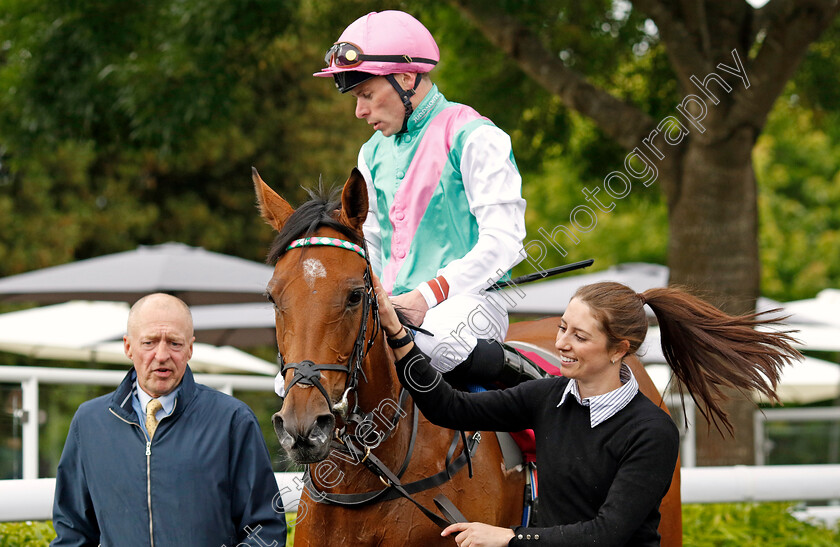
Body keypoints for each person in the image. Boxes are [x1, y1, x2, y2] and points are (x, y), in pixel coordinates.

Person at [375, 275, 801, 546]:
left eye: (579, 336)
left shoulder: (652, 431)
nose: (561, 343)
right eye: (562, 327)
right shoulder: (547, 396)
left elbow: (607, 532)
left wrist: (507, 538)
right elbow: (450, 407)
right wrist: (397, 333)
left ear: (620, 350)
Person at [314, 10, 541, 387]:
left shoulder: (476, 135)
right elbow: (369, 244)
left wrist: (426, 295)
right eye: (356, 98)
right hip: (392, 304)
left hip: (471, 304)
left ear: (405, 78)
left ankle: (536, 403)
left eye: (367, 94)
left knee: (439, 343)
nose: (359, 111)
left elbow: (505, 243)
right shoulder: (370, 154)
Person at [51, 293, 287, 547]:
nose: (162, 355)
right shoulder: (90, 423)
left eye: (174, 343)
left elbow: (265, 528)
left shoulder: (233, 421)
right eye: (149, 342)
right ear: (128, 347)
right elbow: (73, 533)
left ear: (190, 348)